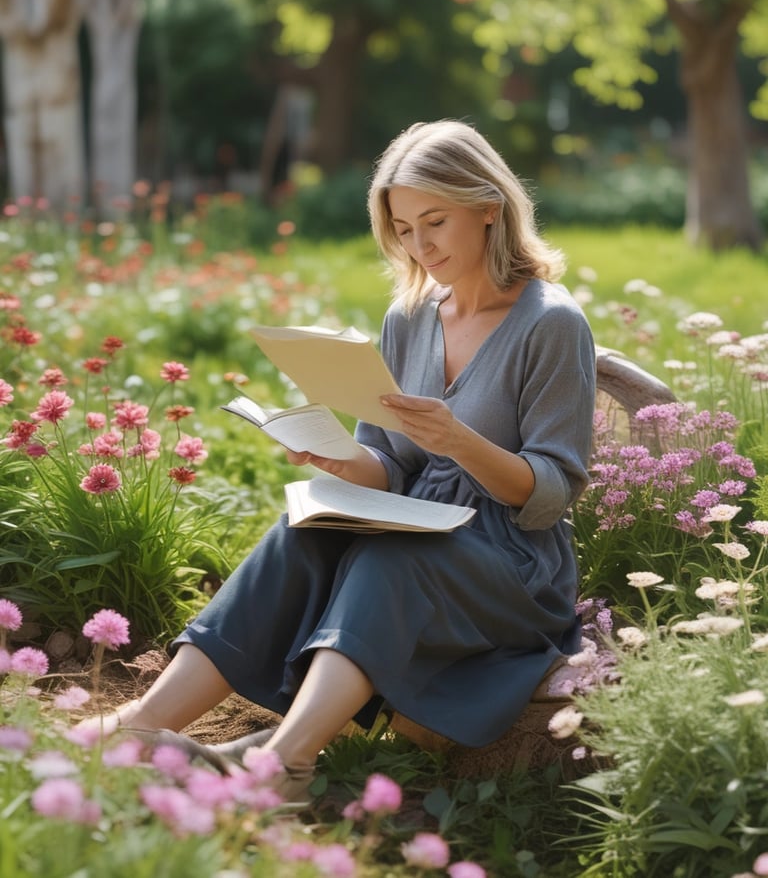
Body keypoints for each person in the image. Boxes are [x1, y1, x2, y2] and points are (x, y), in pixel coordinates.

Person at [95, 119, 596, 802]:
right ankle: (140, 723)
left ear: (489, 208)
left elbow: (551, 494)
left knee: (394, 561)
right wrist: (336, 458)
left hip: (512, 560)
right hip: (420, 520)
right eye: (403, 229)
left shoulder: (551, 323)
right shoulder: (410, 316)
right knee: (304, 530)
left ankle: (283, 763)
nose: (420, 246)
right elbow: (389, 462)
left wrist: (461, 443)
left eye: (435, 222)